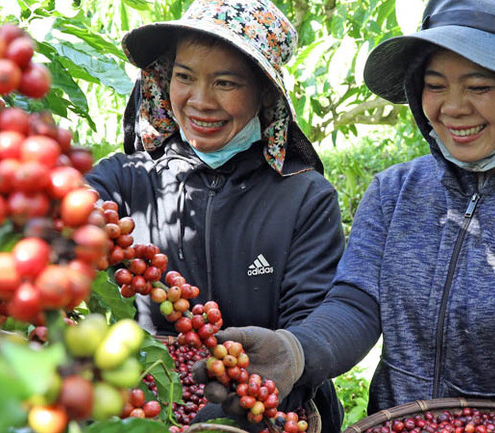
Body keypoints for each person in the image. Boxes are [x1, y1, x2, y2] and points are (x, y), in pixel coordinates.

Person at [213, 0, 495, 431]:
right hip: (402, 423)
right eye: (435, 86)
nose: (452, 107)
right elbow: (356, 305)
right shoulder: (395, 192)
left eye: (479, 87)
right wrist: (297, 351)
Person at [84, 0, 345, 432]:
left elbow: (309, 327)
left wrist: (236, 404)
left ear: (265, 92)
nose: (200, 101)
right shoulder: (131, 177)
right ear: (163, 78)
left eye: (225, 83)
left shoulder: (304, 197)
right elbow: (76, 204)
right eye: (184, 77)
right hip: (155, 401)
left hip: (267, 406)